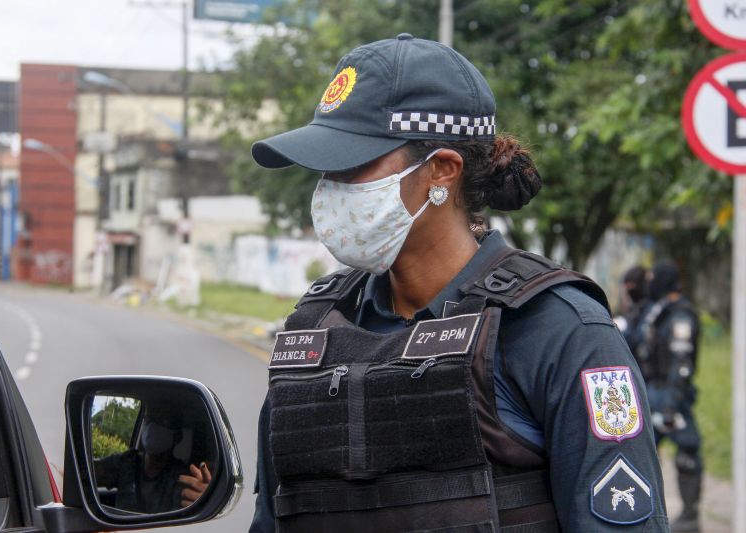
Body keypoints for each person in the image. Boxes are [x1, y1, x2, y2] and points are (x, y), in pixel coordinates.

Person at [249, 34, 668, 532]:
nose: (329, 188)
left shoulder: (561, 331)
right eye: (325, 169)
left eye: (352, 164)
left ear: (442, 171)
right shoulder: (314, 334)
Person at [634, 260, 702, 532]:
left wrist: (672, 407)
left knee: (688, 449)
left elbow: (681, 365)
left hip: (671, 395)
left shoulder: (681, 315)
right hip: (652, 392)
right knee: (641, 451)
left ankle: (689, 516)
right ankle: (644, 513)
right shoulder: (659, 310)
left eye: (653, 278)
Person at [94, 404, 212, 513]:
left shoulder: (184, 477)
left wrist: (205, 502)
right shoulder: (127, 462)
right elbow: (85, 474)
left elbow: (190, 511)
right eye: (149, 420)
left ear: (178, 437)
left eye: (163, 422)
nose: (153, 428)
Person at [617, 265, 652, 354]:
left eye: (632, 288)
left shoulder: (650, 310)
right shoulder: (635, 308)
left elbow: (638, 338)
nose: (630, 294)